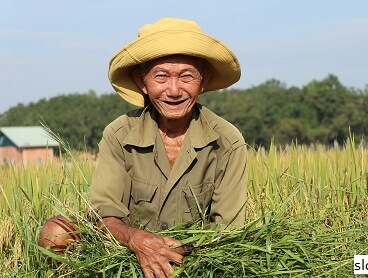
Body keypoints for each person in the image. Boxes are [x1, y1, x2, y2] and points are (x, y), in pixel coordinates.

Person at [39, 17, 247, 277]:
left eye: (186, 76)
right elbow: (104, 213)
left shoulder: (227, 140)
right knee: (55, 233)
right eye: (161, 76)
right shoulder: (119, 134)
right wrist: (136, 240)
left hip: (195, 257)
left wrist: (179, 259)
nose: (173, 90)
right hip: (125, 250)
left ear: (202, 81)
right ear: (142, 82)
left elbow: (228, 230)